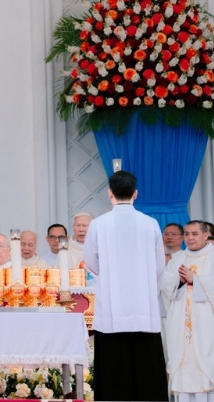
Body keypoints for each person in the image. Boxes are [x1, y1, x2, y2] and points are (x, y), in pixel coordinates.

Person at [82, 171, 167, 401]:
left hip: (112, 312)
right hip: (144, 312)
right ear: (135, 194)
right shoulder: (150, 224)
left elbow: (90, 262)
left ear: (110, 193)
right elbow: (160, 266)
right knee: (147, 376)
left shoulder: (98, 224)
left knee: (113, 377)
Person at [161, 220, 214, 402]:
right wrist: (182, 281)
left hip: (205, 320)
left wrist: (196, 280)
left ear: (206, 235)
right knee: (181, 358)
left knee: (205, 358)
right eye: (187, 234)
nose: (190, 238)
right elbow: (165, 285)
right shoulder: (178, 258)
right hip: (179, 320)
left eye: (195, 234)